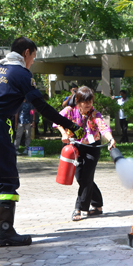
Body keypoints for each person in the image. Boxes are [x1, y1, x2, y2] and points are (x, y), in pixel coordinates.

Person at [0, 36, 84, 247]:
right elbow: (42, 106)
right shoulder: (21, 73)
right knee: (6, 179)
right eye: (34, 57)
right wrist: (71, 125)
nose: (32, 62)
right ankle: (4, 232)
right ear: (26, 53)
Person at [54, 86, 116, 221]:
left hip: (92, 148)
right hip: (74, 148)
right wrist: (64, 133)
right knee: (81, 178)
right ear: (77, 100)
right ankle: (98, 205)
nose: (88, 105)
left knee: (87, 177)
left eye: (90, 101)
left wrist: (110, 139)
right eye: (85, 102)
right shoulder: (70, 111)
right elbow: (56, 120)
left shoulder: (94, 113)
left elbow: (103, 127)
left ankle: (80, 209)